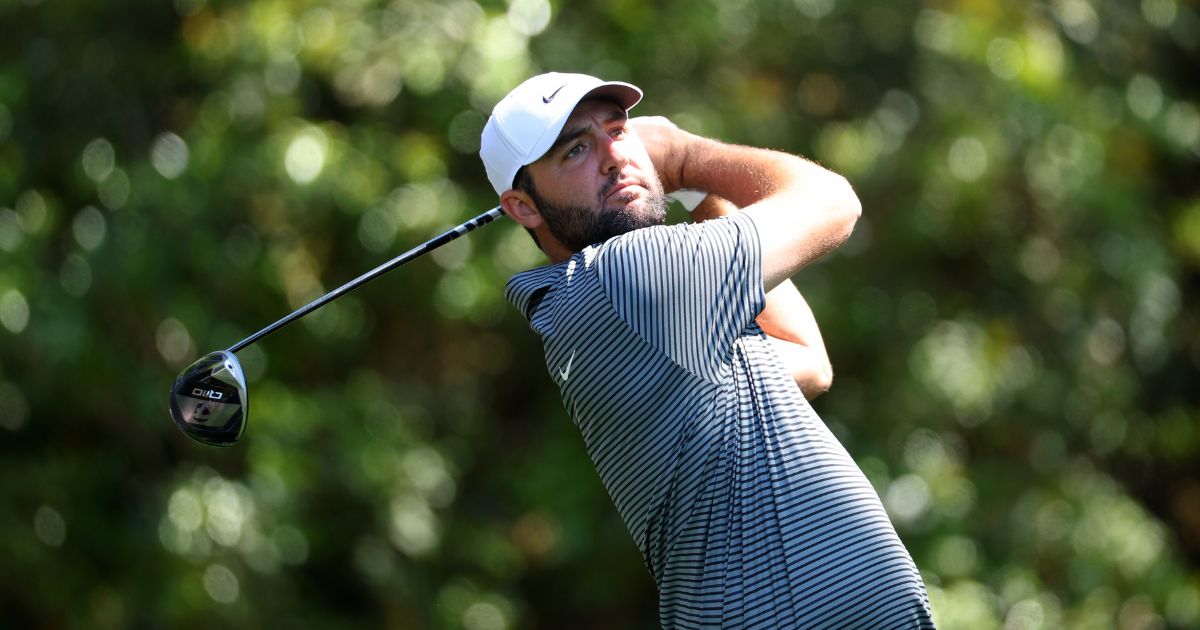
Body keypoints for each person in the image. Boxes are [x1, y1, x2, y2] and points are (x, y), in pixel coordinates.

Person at [480, 72, 935, 628]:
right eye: (576, 149)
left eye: (619, 131)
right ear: (523, 208)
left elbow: (806, 360)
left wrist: (695, 193)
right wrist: (686, 156)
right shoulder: (626, 276)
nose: (615, 157)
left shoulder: (631, 307)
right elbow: (833, 202)